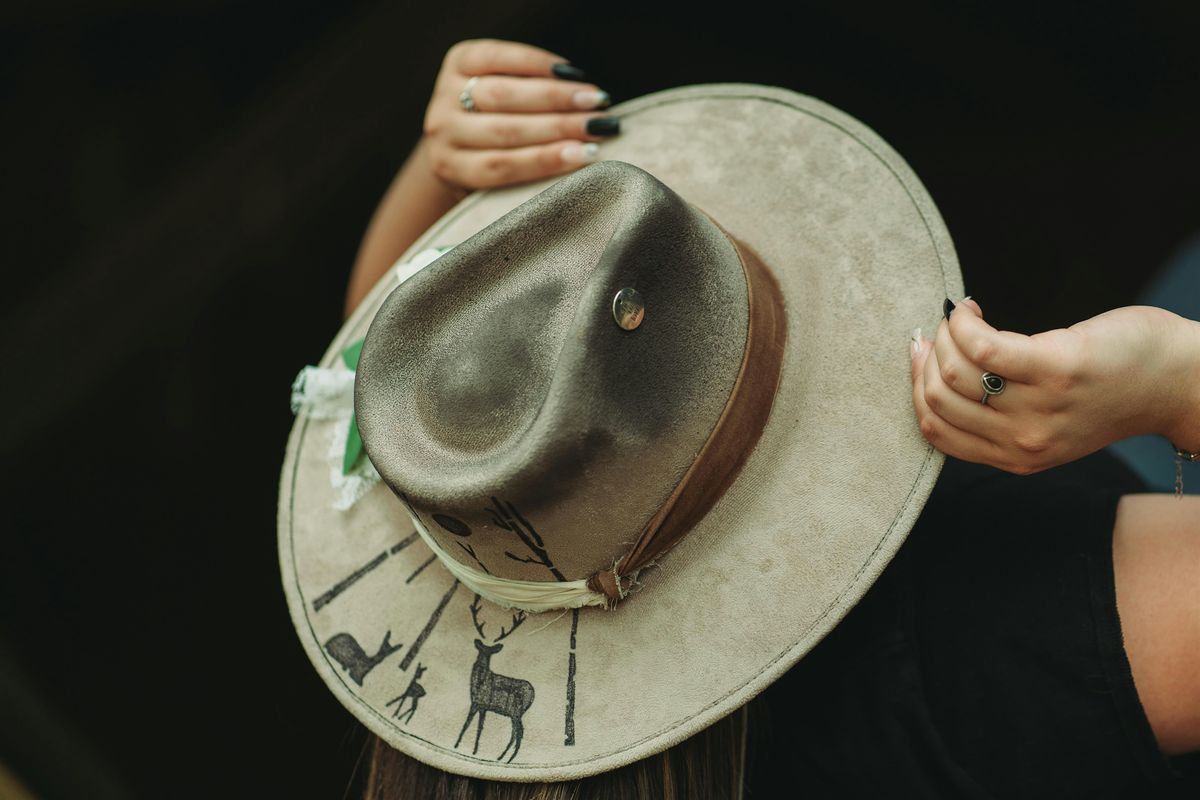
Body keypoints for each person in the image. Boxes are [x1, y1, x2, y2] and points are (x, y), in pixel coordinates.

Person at [286, 39, 1198, 798]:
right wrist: (1171, 382)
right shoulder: (985, 642)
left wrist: (443, 168)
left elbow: (377, 382)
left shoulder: (479, 592)